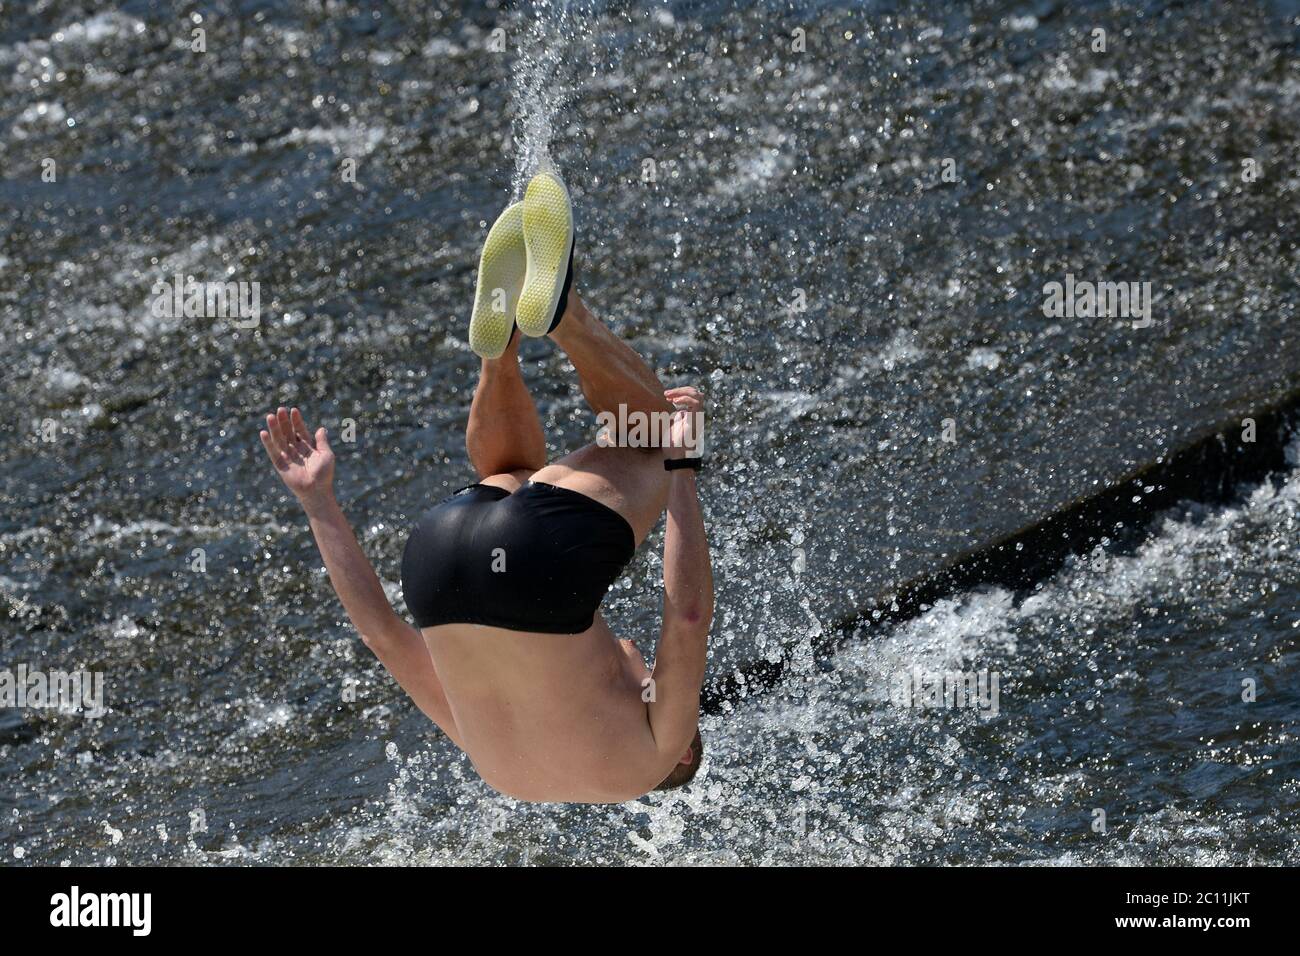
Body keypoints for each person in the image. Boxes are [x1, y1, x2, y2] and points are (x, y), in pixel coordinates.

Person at [258, 170, 712, 803]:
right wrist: (317, 503)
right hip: (440, 560)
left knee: (648, 439)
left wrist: (683, 471)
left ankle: (563, 317)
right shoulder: (496, 763)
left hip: (534, 567)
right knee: (512, 481)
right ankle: (497, 351)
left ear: (685, 746)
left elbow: (687, 619)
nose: (634, 649)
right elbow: (383, 635)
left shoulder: (657, 752)